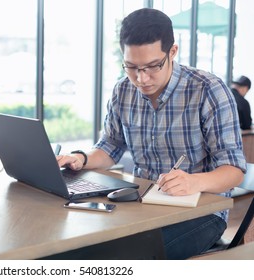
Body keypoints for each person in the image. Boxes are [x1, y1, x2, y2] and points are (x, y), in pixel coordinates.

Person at [57, 8, 246, 260]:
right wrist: (81, 158)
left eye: (152, 66)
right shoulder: (123, 91)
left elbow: (233, 170)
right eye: (131, 67)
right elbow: (109, 146)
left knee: (121, 258)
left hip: (200, 212)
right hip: (140, 204)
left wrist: (194, 181)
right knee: (70, 249)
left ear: (173, 52)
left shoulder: (208, 90)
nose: (141, 78)